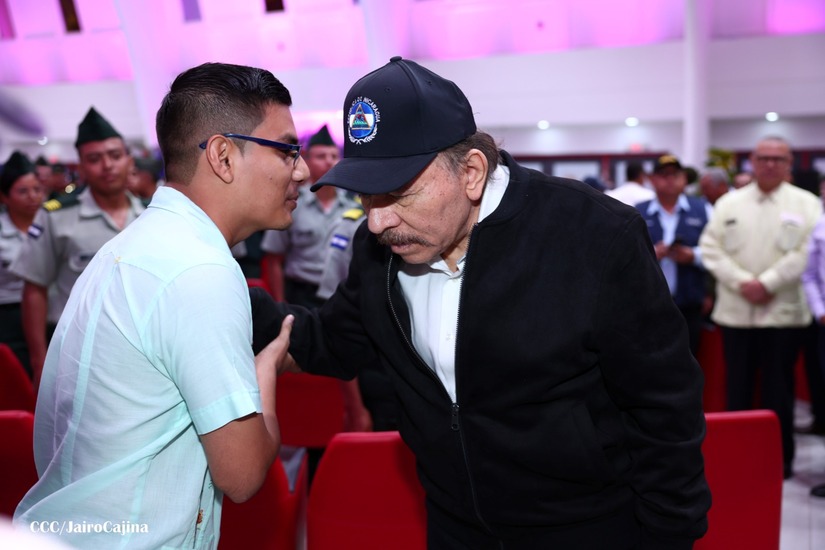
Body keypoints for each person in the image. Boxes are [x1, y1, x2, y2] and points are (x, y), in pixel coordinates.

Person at [252, 56, 710, 548]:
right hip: (455, 527)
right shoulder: (380, 248)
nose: (378, 222)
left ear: (471, 172)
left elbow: (664, 407)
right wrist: (224, 297)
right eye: (366, 196)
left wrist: (669, 534)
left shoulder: (593, 234)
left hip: (586, 528)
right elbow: (334, 339)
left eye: (398, 193)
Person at [14, 61, 305, 549]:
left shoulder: (133, 246)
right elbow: (243, 473)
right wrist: (265, 372)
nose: (301, 170)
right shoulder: (200, 270)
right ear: (223, 157)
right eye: (286, 151)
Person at [700, 135, 821, 479]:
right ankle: (736, 459)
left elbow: (808, 253)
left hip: (782, 315)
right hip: (736, 314)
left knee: (778, 392)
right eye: (763, 158)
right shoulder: (730, 203)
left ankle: (779, 461)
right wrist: (743, 282)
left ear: (789, 164)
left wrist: (768, 282)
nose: (770, 164)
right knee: (737, 390)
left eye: (778, 159)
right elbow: (710, 248)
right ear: (752, 162)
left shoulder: (807, 204)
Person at [8, 107, 146, 388]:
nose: (107, 165)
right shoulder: (56, 216)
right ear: (80, 167)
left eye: (115, 155)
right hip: (78, 352)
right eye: (94, 159)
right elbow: (34, 289)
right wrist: (39, 360)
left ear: (129, 161)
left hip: (145, 347)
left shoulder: (150, 215)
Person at [260, 124, 359, 308]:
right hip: (300, 294)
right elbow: (274, 259)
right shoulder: (292, 203)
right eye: (321, 156)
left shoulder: (354, 205)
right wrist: (280, 303)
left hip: (341, 294)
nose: (329, 162)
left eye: (334, 156)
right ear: (306, 160)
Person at [636, 155, 713, 357]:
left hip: (690, 301)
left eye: (676, 175)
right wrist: (652, 254)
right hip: (649, 304)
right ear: (652, 180)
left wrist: (693, 256)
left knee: (690, 358)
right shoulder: (638, 212)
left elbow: (716, 252)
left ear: (685, 179)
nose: (670, 180)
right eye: (663, 175)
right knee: (651, 359)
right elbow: (627, 256)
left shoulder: (702, 209)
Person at [0, 151, 45, 376]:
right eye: (23, 191)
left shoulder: (51, 226)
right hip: (8, 316)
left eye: (37, 189)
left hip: (46, 314)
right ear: (4, 197)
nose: (33, 197)